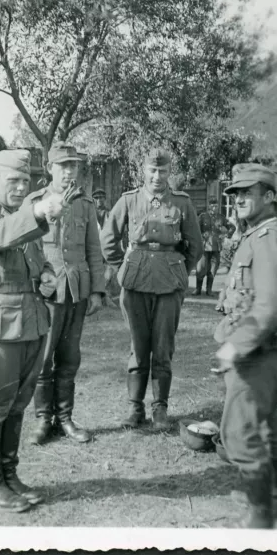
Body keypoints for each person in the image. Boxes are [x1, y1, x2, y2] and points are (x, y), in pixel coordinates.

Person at [0, 149, 66, 513]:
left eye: (27, 181)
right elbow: (2, 236)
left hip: (31, 322)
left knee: (18, 403)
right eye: (14, 180)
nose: (22, 187)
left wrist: (47, 277)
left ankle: (9, 474)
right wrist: (38, 211)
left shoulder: (23, 222)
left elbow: (36, 266)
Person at [101, 149, 202, 431]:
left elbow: (195, 244)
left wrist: (178, 268)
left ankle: (160, 408)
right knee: (138, 345)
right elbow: (108, 238)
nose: (158, 177)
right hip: (135, 282)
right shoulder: (129, 200)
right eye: (152, 171)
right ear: (143, 171)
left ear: (170, 173)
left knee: (163, 346)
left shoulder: (182, 203)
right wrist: (124, 267)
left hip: (169, 284)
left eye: (164, 171)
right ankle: (135, 409)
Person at [213, 163, 277, 528]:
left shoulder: (267, 237)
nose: (239, 198)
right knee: (273, 430)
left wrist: (234, 346)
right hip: (263, 349)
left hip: (259, 351)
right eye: (235, 193)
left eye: (247, 192)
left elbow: (271, 305)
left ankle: (261, 517)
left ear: (270, 196)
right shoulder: (255, 233)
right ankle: (275, 498)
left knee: (239, 433)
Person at [28, 142, 105, 445]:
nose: (70, 171)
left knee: (70, 358)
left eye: (74, 165)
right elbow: (28, 248)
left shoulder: (85, 205)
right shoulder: (36, 202)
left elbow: (93, 250)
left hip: (77, 291)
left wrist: (97, 291)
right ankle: (42, 421)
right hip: (48, 292)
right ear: (50, 169)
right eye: (63, 165)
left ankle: (65, 419)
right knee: (44, 358)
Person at [193, 197, 235, 296]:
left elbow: (232, 227)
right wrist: (201, 236)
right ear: (208, 206)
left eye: (215, 205)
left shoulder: (221, 218)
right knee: (201, 268)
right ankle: (198, 289)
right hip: (204, 247)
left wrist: (225, 235)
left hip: (216, 247)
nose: (214, 207)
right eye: (212, 205)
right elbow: (196, 229)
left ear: (218, 206)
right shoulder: (203, 217)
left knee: (212, 269)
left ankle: (209, 290)